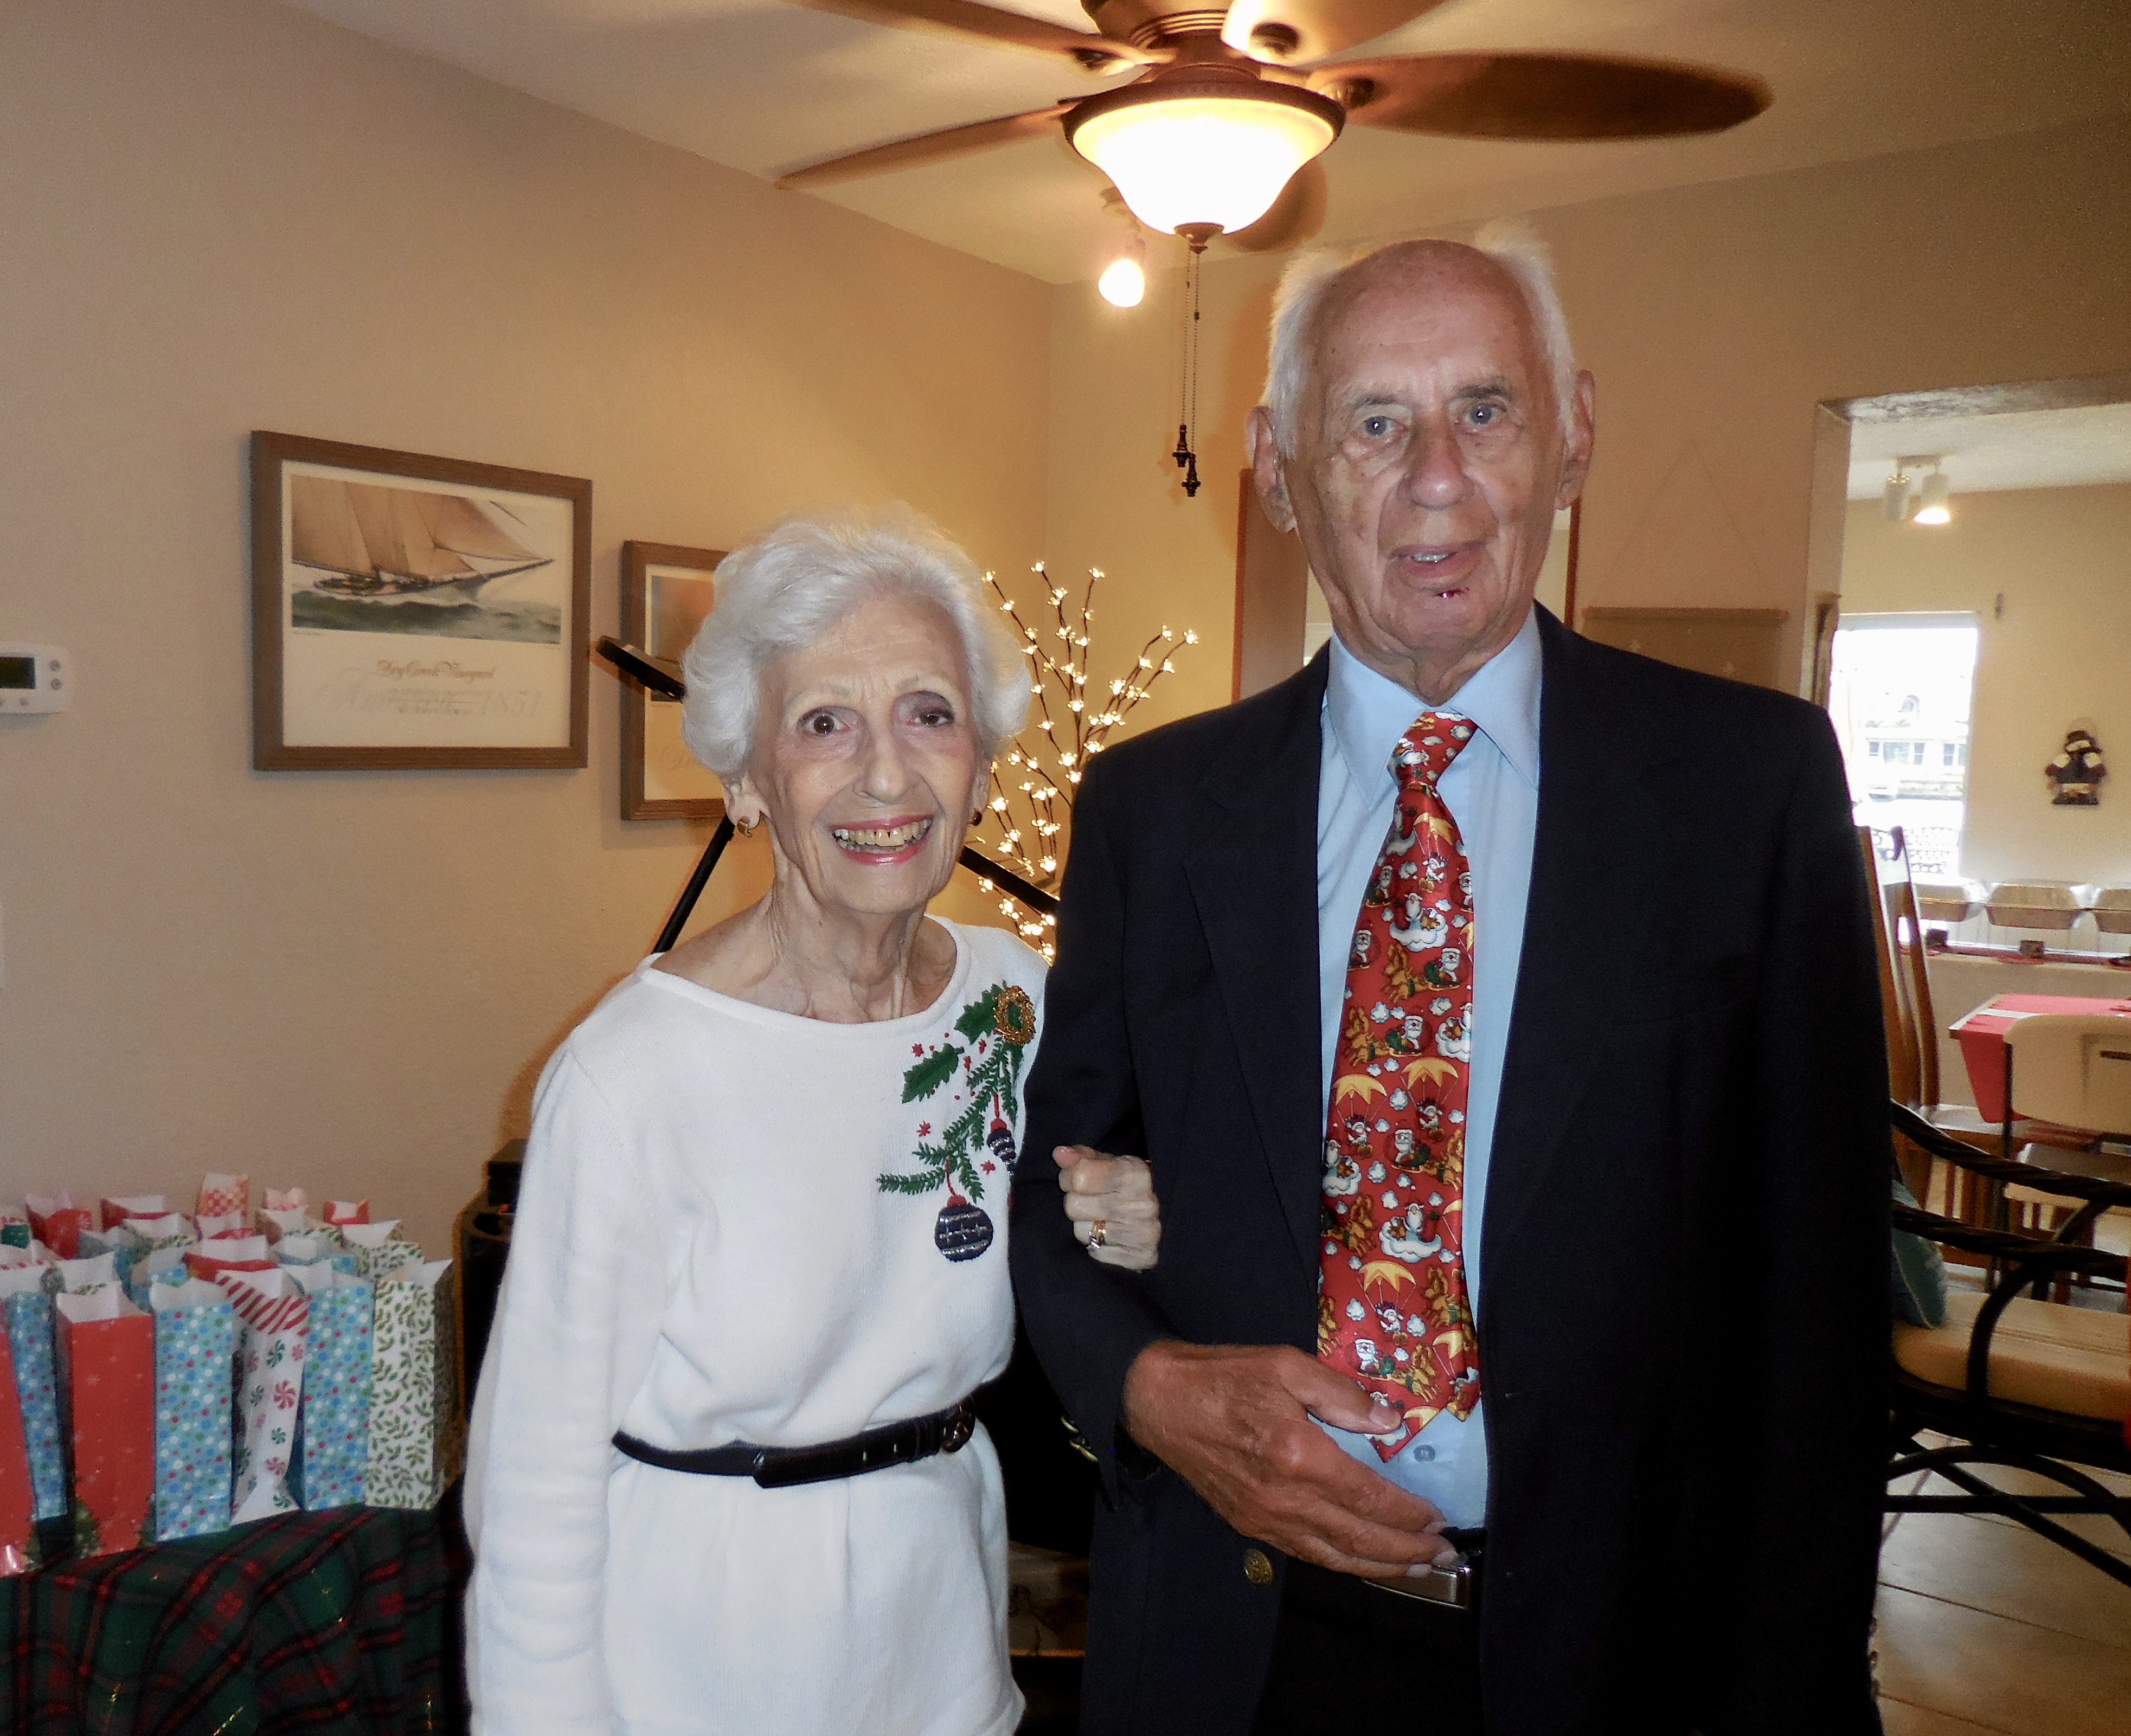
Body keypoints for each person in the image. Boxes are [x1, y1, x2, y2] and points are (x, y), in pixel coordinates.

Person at [1010, 230, 1890, 1734]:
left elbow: (1818, 1313)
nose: (1437, 477)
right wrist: (1149, 1386)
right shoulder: (1153, 810)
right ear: (1280, 469)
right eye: (1375, 422)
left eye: (1486, 410)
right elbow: (1047, 1181)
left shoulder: (1746, 787)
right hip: (1237, 1644)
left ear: (1573, 437)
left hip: (1624, 1656)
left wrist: (1797, 1689)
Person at [464, 509, 1160, 1735]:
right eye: (825, 722)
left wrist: (1129, 1218)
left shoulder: (1012, 1000)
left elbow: (1071, 1240)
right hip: (698, 1670)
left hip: (946, 1644)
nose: (886, 774)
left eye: (929, 714)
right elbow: (533, 1484)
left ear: (981, 763)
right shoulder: (636, 1073)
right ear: (745, 778)